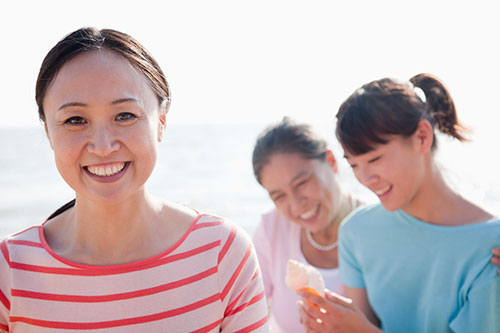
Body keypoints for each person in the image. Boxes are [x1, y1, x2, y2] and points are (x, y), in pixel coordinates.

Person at [0, 27, 268, 332]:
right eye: (75, 120)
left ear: (161, 121)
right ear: (48, 131)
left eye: (125, 115)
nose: (102, 146)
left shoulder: (222, 253)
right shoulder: (10, 270)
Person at [298, 73, 500, 332]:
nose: (365, 178)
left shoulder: (489, 246)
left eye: (374, 159)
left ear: (422, 138)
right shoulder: (356, 232)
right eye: (354, 165)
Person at [251, 117, 360, 332]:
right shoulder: (271, 230)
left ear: (331, 161)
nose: (296, 204)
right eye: (279, 196)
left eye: (302, 183)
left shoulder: (378, 226)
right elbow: (247, 313)